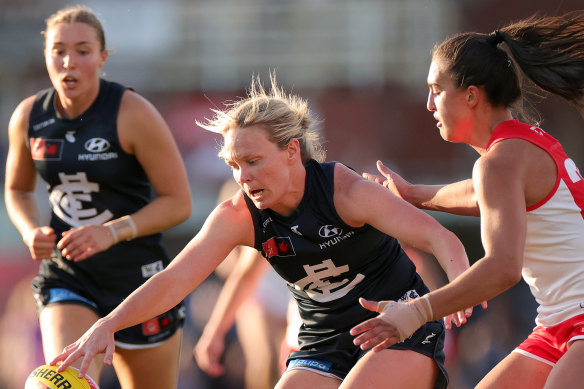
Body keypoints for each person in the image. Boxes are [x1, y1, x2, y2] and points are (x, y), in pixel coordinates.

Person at [51, 73, 474, 389]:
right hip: (321, 342)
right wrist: (108, 323)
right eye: (234, 166)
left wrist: (453, 292)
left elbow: (442, 238)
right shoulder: (238, 215)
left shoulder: (346, 192)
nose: (243, 176)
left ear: (292, 151)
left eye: (253, 161)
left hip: (397, 326)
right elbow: (174, 280)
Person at [352, 11, 584, 389]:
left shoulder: (500, 162)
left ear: (471, 96)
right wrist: (411, 194)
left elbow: (503, 268)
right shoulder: (517, 147)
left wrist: (416, 312)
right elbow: (473, 194)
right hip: (559, 324)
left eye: (437, 90)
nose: (429, 104)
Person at [4, 5, 192, 388]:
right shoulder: (29, 116)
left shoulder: (133, 113)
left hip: (138, 279)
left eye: (83, 50)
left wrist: (112, 231)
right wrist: (29, 230)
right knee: (62, 384)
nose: (69, 61)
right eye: (58, 50)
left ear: (102, 57)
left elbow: (179, 203)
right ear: (46, 56)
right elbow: (17, 189)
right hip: (70, 274)